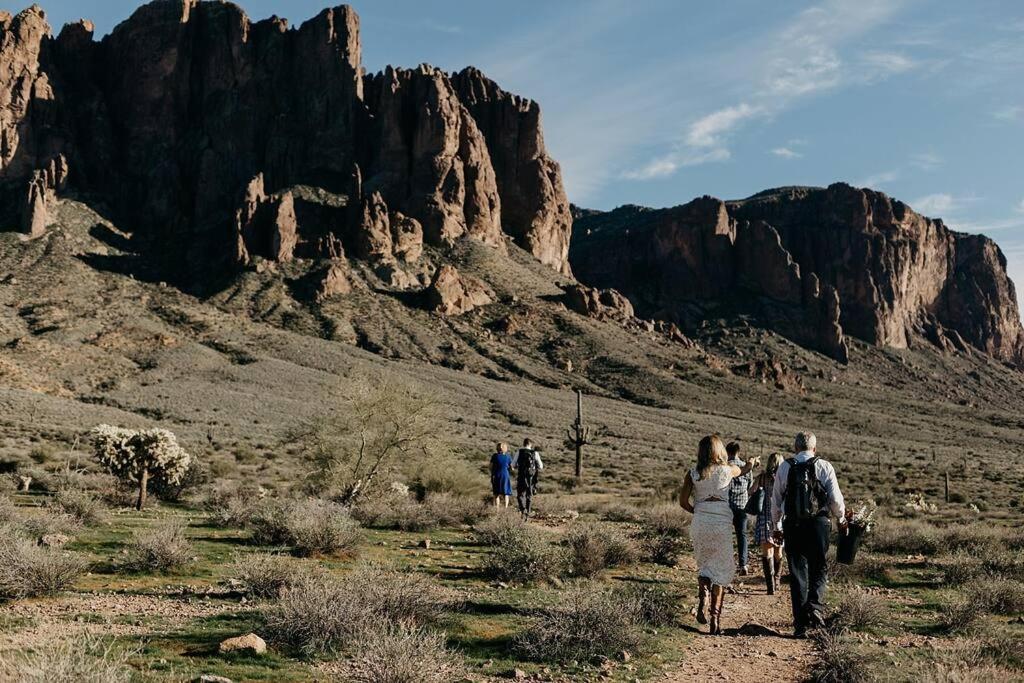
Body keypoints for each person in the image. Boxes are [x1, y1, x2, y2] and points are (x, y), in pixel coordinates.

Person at [680, 435, 759, 635]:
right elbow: (743, 470)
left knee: (705, 565)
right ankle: (715, 619)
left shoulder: (693, 473)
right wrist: (751, 463)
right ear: (719, 450)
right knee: (722, 569)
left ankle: (703, 596)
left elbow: (683, 502)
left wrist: (698, 511)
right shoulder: (726, 470)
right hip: (721, 524)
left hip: (701, 523)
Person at [771, 432, 847, 638]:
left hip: (793, 525)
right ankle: (815, 607)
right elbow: (835, 499)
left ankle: (800, 625)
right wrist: (841, 519)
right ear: (814, 448)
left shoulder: (785, 467)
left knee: (797, 573)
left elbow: (776, 500)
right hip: (819, 525)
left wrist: (776, 527)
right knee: (819, 567)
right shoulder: (825, 466)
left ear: (795, 447)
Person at [751, 452, 785, 594]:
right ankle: (776, 581)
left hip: (764, 518)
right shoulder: (784, 479)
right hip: (780, 519)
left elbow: (751, 491)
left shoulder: (762, 478)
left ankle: (770, 586)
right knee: (778, 551)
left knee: (767, 552)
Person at [726, 441, 752, 575]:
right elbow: (750, 485)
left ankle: (727, 563)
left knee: (726, 536)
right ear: (738, 452)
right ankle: (743, 564)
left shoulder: (725, 466)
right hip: (742, 506)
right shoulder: (746, 466)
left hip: (726, 507)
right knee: (742, 536)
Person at [514, 438, 544, 520]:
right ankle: (528, 512)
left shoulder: (519, 452)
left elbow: (513, 464)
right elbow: (541, 466)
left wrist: (518, 466)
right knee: (529, 495)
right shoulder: (535, 453)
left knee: (520, 495)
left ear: (524, 444)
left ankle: (523, 509)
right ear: (531, 444)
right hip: (531, 477)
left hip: (521, 476)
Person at [489, 442, 513, 508]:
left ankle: (497, 509)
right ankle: (505, 508)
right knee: (506, 493)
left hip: (496, 475)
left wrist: (493, 471)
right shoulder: (508, 456)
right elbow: (512, 468)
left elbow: (490, 467)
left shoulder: (494, 456)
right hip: (505, 475)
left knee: (496, 493)